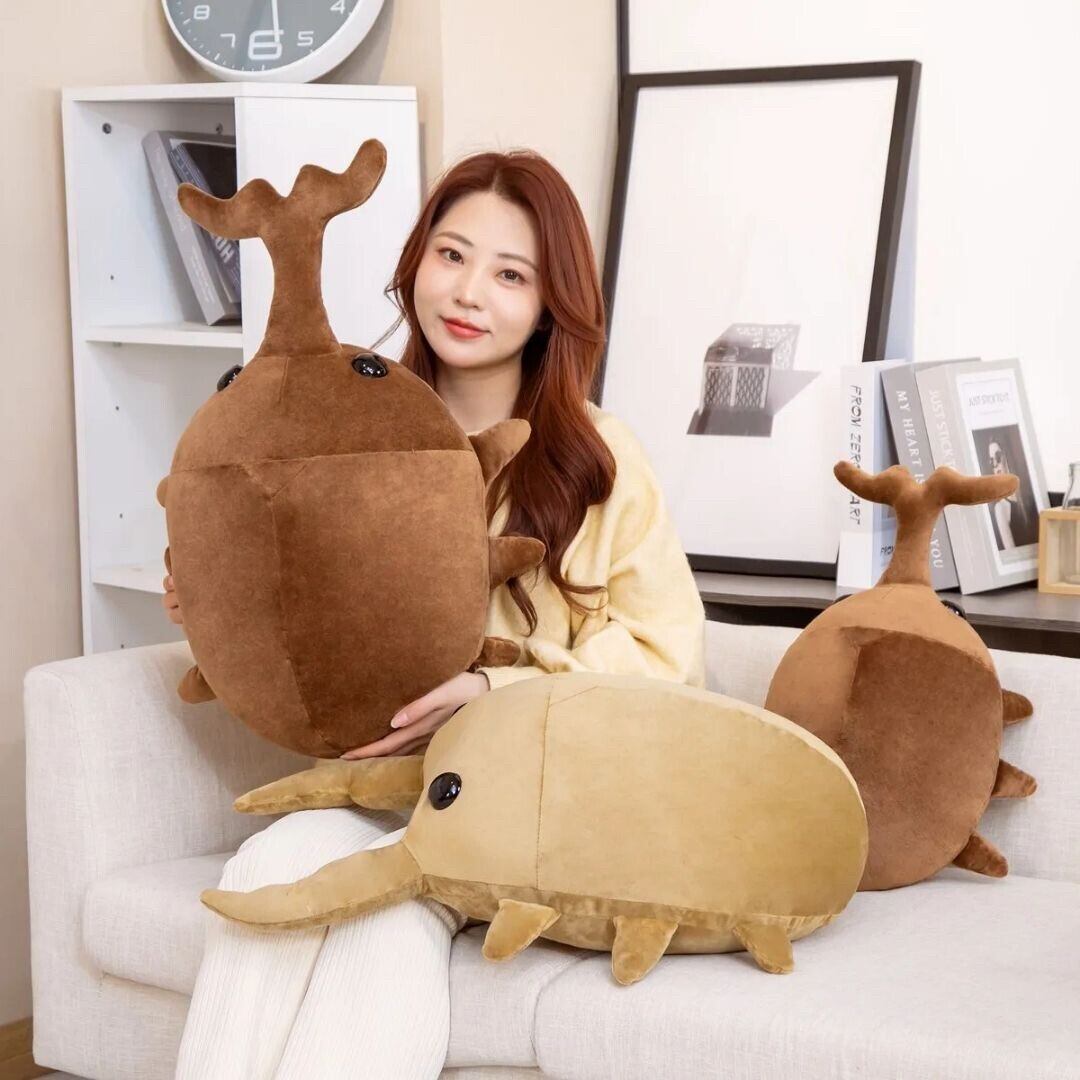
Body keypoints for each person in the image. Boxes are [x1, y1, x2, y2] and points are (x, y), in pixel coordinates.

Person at [167, 149, 706, 1079]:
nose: (467, 292)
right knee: (269, 864)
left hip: (534, 798)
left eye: (510, 275)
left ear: (551, 304)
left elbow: (671, 658)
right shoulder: (343, 422)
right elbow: (293, 589)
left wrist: (494, 690)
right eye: (451, 255)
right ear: (417, 260)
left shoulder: (600, 457)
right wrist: (212, 597)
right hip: (384, 785)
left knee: (386, 910)